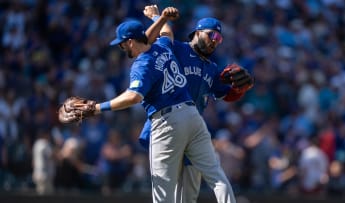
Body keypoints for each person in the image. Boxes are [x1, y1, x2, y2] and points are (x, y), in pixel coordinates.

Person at [66, 7, 236, 203]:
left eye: (122, 45)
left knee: (163, 192)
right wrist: (159, 16)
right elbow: (167, 31)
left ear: (129, 42)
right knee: (216, 175)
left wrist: (96, 108)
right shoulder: (163, 46)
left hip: (167, 121)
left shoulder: (143, 64)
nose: (123, 49)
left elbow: (133, 97)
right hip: (193, 116)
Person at [139, 5, 254, 203]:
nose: (215, 42)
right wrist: (157, 17)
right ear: (198, 32)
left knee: (189, 197)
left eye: (219, 39)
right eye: (212, 36)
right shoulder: (178, 49)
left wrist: (241, 88)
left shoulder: (212, 68)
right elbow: (155, 39)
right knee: (164, 189)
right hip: (168, 124)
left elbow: (226, 95)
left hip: (193, 132)